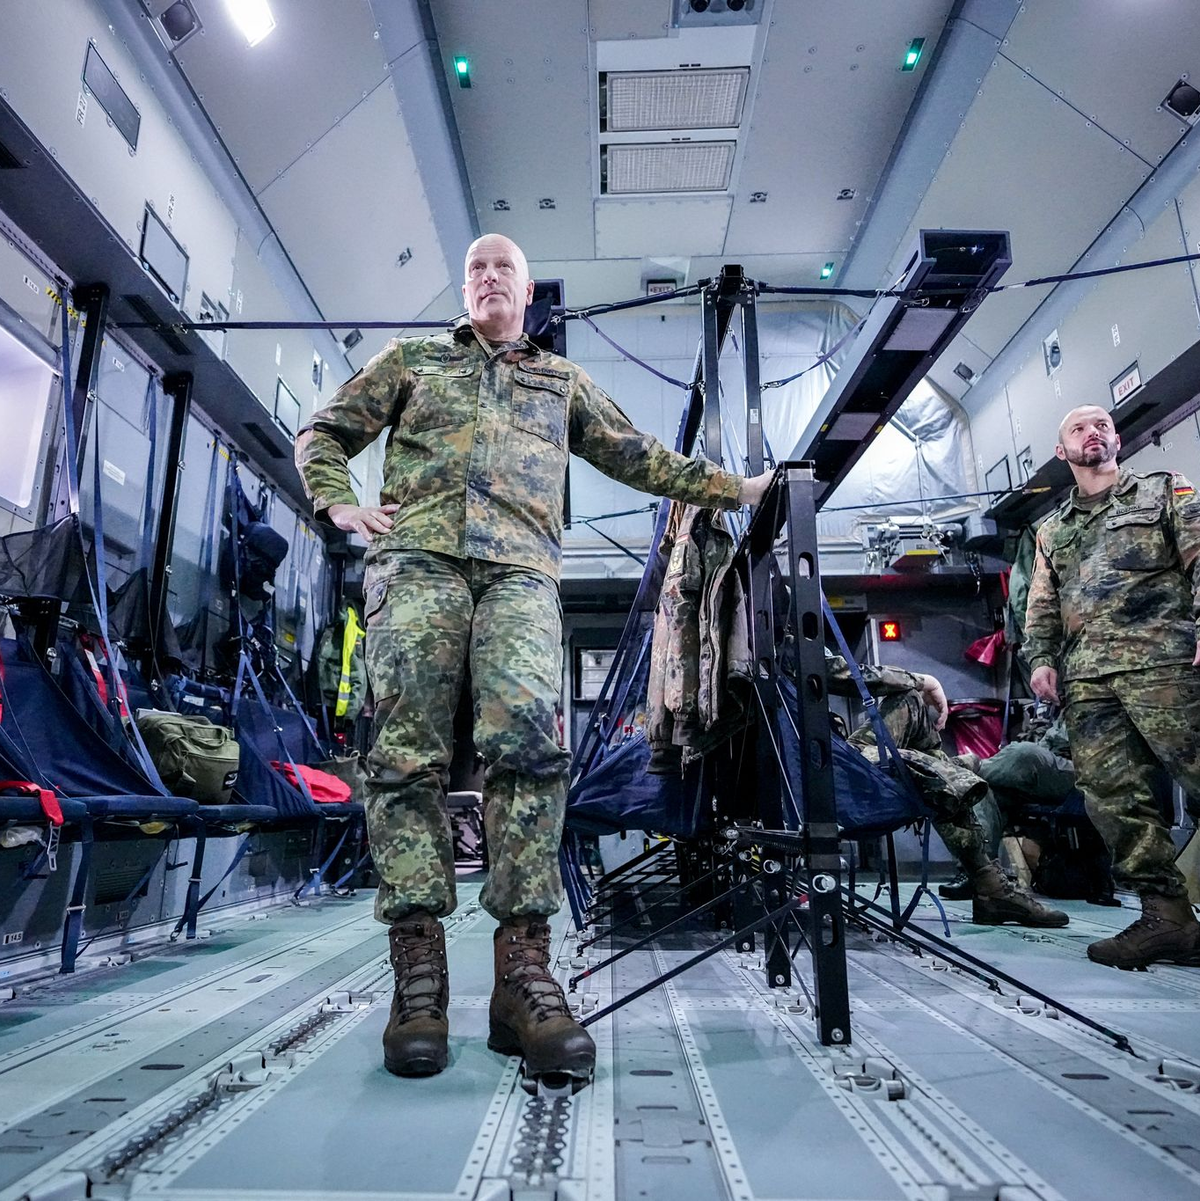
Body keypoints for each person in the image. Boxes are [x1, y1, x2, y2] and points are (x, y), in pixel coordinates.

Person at [295, 234, 773, 1085]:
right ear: (465, 290)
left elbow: (635, 453)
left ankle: (521, 972)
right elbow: (324, 432)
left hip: (521, 571)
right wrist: (338, 503)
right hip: (417, 564)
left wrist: (735, 490)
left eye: (503, 269)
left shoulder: (561, 381)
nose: (488, 277)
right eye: (476, 268)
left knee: (528, 740)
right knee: (404, 752)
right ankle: (419, 974)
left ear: (526, 293)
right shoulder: (410, 360)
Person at [1025, 403, 1200, 968]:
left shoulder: (1162, 490)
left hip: (1166, 665)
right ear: (1063, 452)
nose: (1092, 433)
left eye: (1101, 425)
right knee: (1115, 799)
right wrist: (1041, 659)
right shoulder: (1052, 529)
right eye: (1078, 429)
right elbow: (1042, 603)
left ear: (1117, 439)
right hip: (1089, 683)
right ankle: (1168, 919)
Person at [827, 652, 1069, 927]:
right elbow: (837, 672)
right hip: (824, 767)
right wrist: (924, 680)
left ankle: (952, 771)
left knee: (910, 700)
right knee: (941, 774)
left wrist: (917, 685)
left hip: (832, 757)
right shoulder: (789, 645)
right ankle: (988, 882)